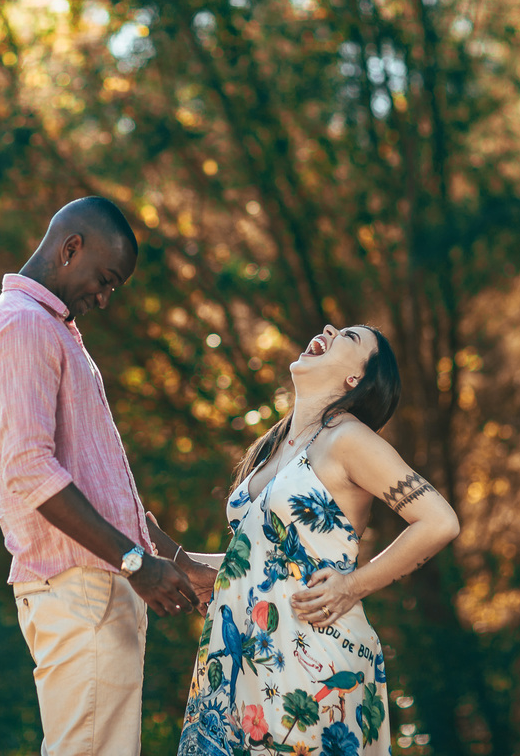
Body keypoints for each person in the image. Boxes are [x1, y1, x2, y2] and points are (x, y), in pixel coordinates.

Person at [0, 196, 214, 756]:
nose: (104, 299)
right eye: (105, 280)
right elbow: (30, 470)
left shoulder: (49, 327)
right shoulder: (24, 325)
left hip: (96, 590)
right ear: (70, 248)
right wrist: (135, 564)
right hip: (82, 592)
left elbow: (103, 489)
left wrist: (175, 560)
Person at [170, 323, 461, 756]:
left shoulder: (348, 438)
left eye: (349, 336)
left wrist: (353, 585)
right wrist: (169, 556)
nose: (328, 329)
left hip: (311, 665)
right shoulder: (275, 446)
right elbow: (256, 563)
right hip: (242, 664)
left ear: (355, 379)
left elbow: (439, 522)